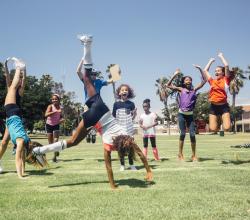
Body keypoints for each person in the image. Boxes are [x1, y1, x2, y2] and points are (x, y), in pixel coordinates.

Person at [32, 35, 152, 189]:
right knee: (73, 142)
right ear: (121, 149)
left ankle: (87, 44)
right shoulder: (110, 143)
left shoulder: (127, 137)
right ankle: (39, 150)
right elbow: (109, 166)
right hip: (94, 118)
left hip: (100, 108)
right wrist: (112, 185)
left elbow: (140, 155)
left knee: (87, 78)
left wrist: (148, 170)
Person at [2, 57, 47, 178]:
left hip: (13, 114)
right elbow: (7, 78)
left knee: (12, 87)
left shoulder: (18, 91)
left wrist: (23, 70)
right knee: (4, 142)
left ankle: (19, 67)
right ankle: (18, 67)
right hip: (12, 114)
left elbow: (23, 80)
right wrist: (6, 66)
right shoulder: (23, 141)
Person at [165, 66, 206, 161]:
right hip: (181, 114)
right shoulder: (180, 89)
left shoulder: (194, 90)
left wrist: (200, 69)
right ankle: (180, 154)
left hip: (190, 115)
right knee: (182, 134)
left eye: (190, 80)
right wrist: (175, 75)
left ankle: (194, 155)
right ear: (184, 82)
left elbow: (204, 81)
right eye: (186, 80)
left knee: (192, 134)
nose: (188, 81)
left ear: (191, 82)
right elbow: (168, 85)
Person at [203, 52, 234, 132]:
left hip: (224, 106)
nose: (216, 72)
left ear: (223, 73)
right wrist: (210, 61)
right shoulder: (212, 81)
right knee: (213, 129)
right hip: (213, 106)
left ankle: (222, 119)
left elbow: (226, 66)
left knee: (227, 128)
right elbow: (205, 70)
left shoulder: (226, 80)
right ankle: (218, 121)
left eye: (218, 70)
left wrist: (221, 56)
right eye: (215, 71)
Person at [112, 84, 137, 171]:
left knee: (130, 147)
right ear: (119, 93)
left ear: (128, 92)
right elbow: (114, 117)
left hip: (129, 128)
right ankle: (122, 165)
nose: (124, 91)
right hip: (119, 128)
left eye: (126, 90)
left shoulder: (131, 104)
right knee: (120, 147)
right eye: (122, 90)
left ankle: (131, 165)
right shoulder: (116, 104)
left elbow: (133, 117)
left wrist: (135, 114)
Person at [45, 94, 64, 162]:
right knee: (50, 144)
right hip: (49, 125)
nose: (54, 100)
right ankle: (56, 150)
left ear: (59, 100)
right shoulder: (50, 106)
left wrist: (62, 119)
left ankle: (54, 158)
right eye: (53, 99)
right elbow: (46, 114)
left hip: (56, 125)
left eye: (56, 99)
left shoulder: (61, 107)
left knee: (55, 141)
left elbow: (61, 116)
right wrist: (55, 111)